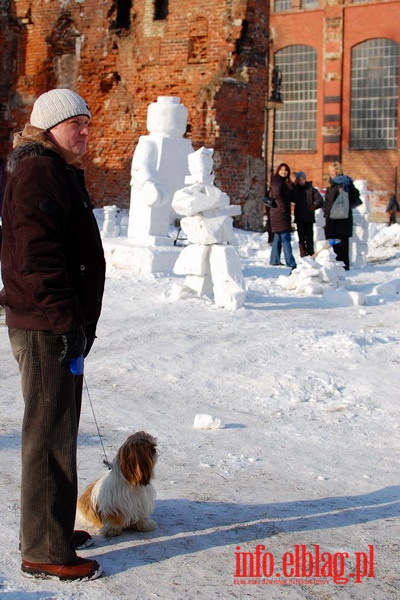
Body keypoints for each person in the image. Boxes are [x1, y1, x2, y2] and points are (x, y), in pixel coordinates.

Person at [0, 89, 106, 581]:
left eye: (87, 123)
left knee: (58, 432)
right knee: (48, 437)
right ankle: (44, 550)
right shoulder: (39, 171)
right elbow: (35, 256)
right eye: (74, 124)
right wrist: (66, 322)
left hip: (55, 324)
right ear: (48, 128)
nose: (84, 131)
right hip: (47, 327)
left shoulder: (53, 168)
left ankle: (51, 529)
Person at [323, 161, 361, 271]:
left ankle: (344, 267)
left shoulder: (345, 183)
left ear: (339, 171)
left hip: (342, 219)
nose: (332, 173)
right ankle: (337, 267)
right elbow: (329, 200)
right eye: (330, 171)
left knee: (343, 244)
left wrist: (346, 201)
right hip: (331, 218)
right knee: (334, 244)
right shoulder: (330, 184)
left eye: (334, 171)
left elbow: (355, 196)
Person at [269, 163, 296, 270]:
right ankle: (291, 262)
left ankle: (274, 259)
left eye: (286, 170)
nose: (284, 172)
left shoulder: (281, 181)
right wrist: (282, 208)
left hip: (277, 212)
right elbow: (277, 195)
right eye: (281, 170)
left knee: (278, 237)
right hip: (280, 213)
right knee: (286, 238)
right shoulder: (278, 181)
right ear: (278, 171)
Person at [292, 171, 323, 257]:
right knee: (301, 239)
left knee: (309, 238)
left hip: (309, 218)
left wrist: (313, 207)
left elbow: (320, 201)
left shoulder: (311, 189)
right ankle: (303, 256)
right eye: (299, 179)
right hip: (299, 218)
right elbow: (292, 198)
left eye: (303, 179)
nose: (301, 181)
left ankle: (311, 254)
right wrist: (295, 186)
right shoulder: (296, 189)